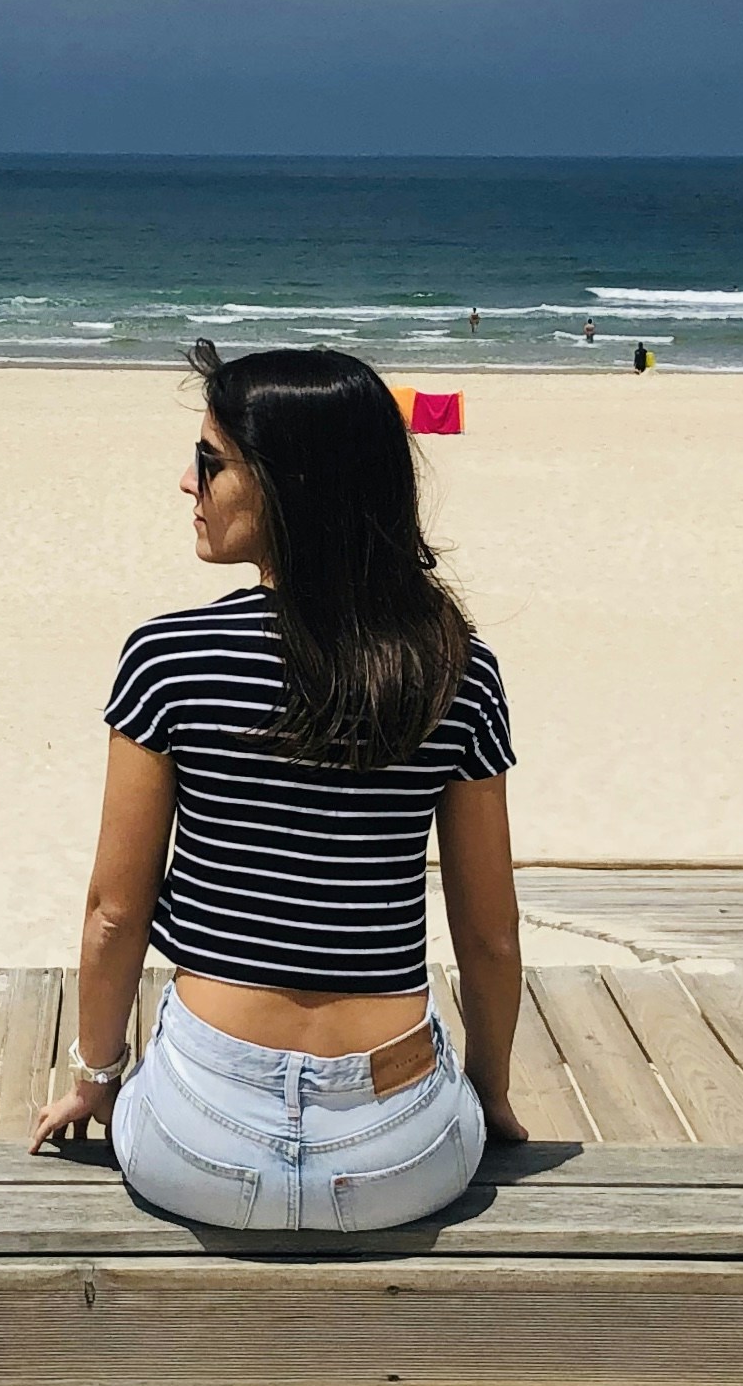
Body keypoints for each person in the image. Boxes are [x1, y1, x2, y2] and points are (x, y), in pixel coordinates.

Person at [31, 342, 523, 1234]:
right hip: (399, 1147)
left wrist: (97, 1080)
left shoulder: (168, 659)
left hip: (199, 1140)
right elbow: (487, 934)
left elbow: (113, 913)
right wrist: (486, 1097)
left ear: (288, 485)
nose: (189, 484)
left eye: (210, 462)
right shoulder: (456, 668)